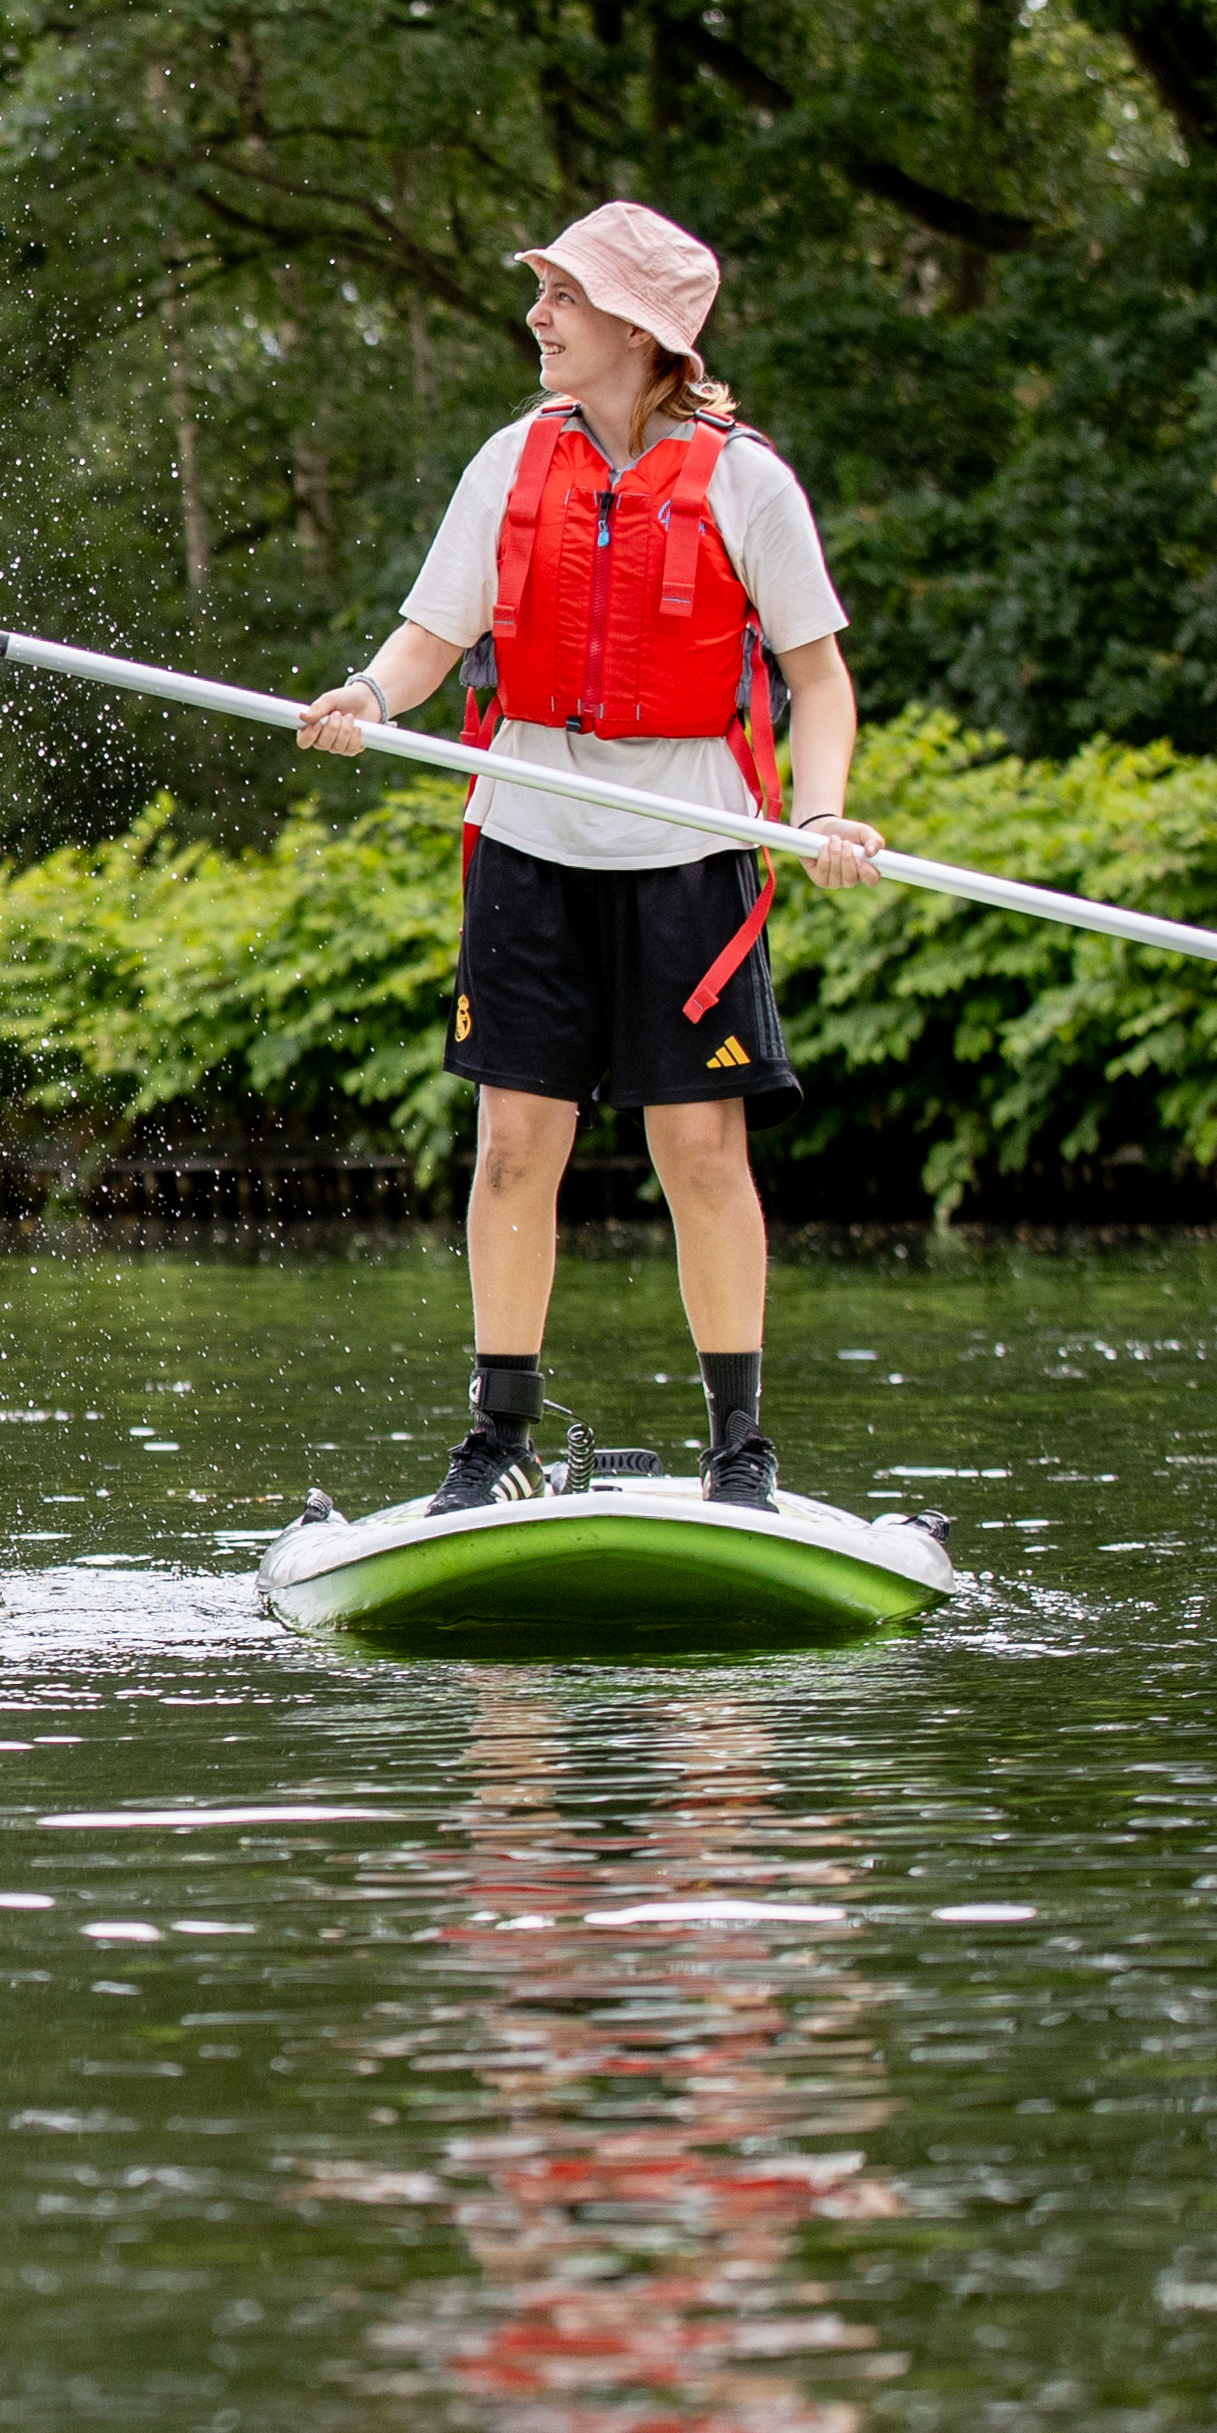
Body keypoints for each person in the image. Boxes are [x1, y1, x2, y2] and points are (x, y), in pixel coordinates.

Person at [294, 201, 890, 1514]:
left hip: (691, 853)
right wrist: (364, 699)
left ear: (637, 327)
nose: (537, 318)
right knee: (513, 1145)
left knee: (702, 1149)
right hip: (530, 844)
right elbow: (428, 636)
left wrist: (833, 808)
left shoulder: (747, 482)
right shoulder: (510, 461)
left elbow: (819, 680)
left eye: (559, 296)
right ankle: (497, 1435)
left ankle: (739, 1445)